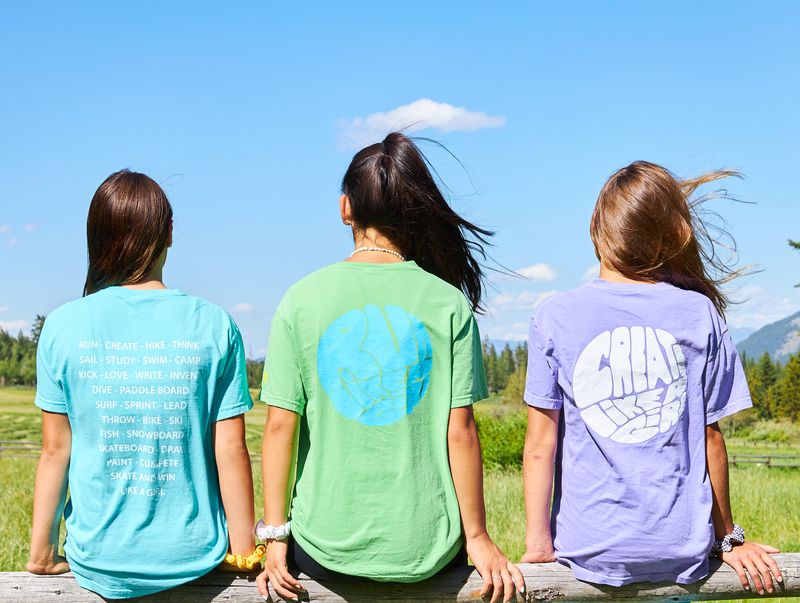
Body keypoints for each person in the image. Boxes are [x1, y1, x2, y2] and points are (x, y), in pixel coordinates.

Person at [256, 133, 525, 603]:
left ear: (346, 209)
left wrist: (275, 537)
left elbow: (280, 427)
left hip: (323, 550)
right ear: (412, 212)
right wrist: (478, 536)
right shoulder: (448, 304)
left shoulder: (301, 300)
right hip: (426, 551)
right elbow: (460, 430)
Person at [521, 161, 783, 594]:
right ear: (673, 232)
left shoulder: (554, 316)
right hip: (680, 551)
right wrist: (728, 538)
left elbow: (539, 446)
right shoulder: (700, 313)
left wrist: (537, 545)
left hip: (588, 551)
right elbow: (710, 438)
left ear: (597, 229)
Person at [27, 170, 261, 598]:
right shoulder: (214, 324)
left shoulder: (62, 326)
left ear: (96, 237)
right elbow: (230, 449)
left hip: (98, 561)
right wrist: (245, 551)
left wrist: (41, 553)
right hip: (195, 559)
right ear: (169, 232)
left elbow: (56, 450)